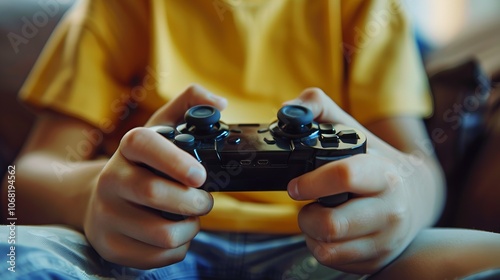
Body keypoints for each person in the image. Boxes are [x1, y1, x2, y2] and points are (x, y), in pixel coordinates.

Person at [1, 0, 499, 279]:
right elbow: (22, 184)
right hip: (139, 249)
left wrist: (404, 200)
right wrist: (94, 198)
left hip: (327, 251)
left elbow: (419, 168)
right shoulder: (114, 10)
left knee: (484, 256)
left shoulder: (365, 11)